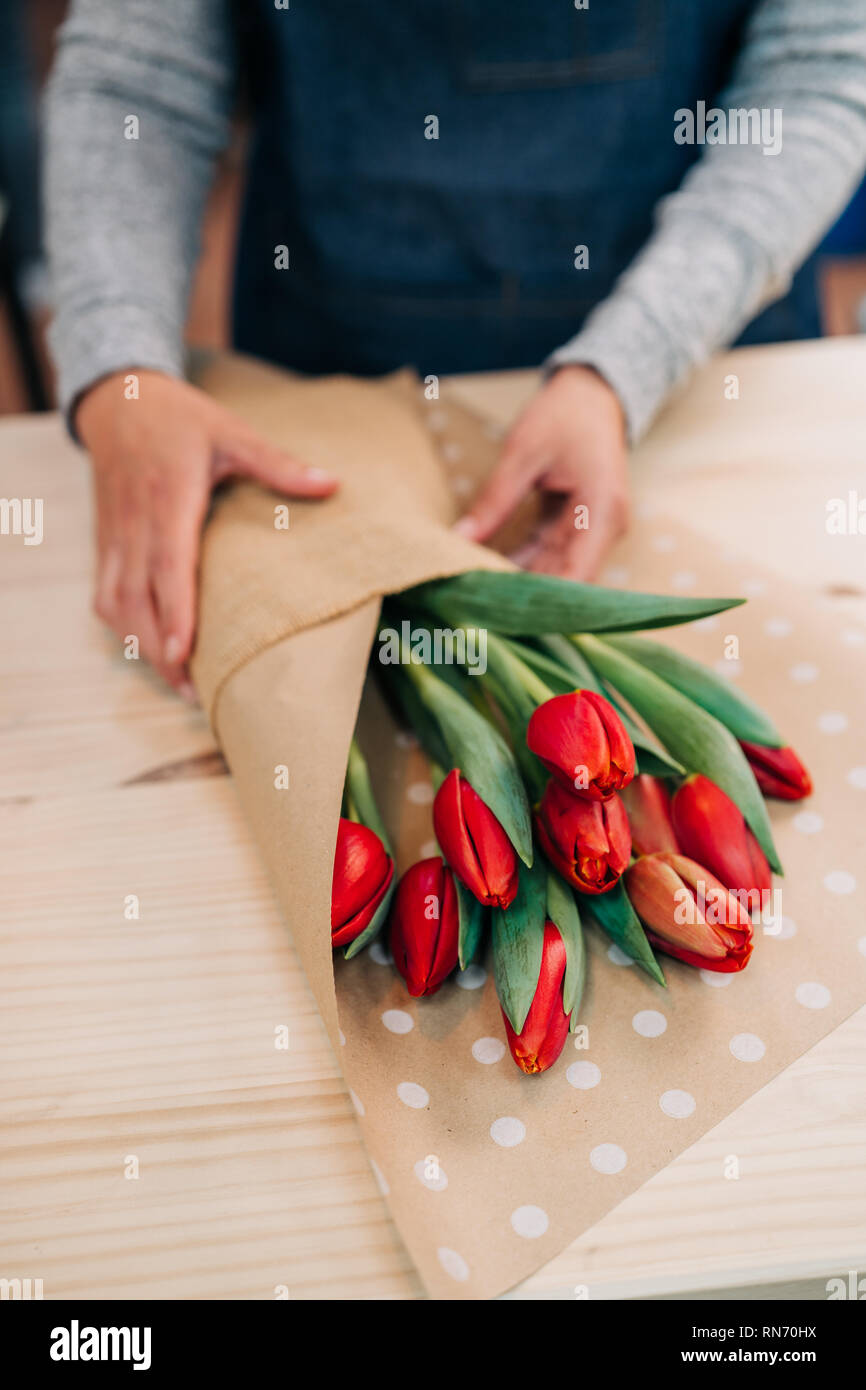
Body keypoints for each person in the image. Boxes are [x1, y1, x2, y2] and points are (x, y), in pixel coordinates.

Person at [44, 0, 866, 697]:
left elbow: (821, 70)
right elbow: (134, 83)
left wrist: (628, 363)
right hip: (328, 374)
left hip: (703, 386)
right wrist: (119, 363)